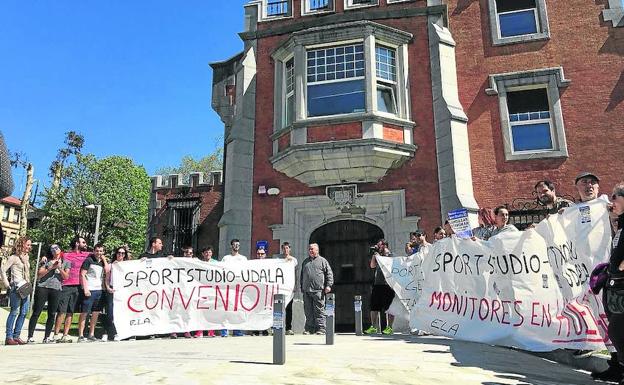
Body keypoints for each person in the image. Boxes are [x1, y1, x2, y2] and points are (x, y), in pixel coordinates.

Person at [591, 179, 623, 383]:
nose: (612, 201)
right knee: (617, 331)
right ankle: (619, 369)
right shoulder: (620, 223)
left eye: (615, 196)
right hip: (615, 287)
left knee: (618, 331)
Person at [27, 244, 69, 343]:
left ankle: (47, 337)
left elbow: (66, 276)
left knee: (52, 313)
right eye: (52, 249)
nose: (55, 250)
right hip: (43, 287)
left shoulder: (66, 262)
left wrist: (60, 268)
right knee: (37, 312)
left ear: (60, 249)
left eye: (57, 248)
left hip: (56, 289)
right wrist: (51, 267)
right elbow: (39, 274)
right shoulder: (46, 260)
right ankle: (30, 336)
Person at [53, 236, 90, 343]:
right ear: (77, 243)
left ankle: (65, 335)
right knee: (61, 311)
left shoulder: (87, 254)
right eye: (83, 242)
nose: (85, 244)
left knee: (71, 311)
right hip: (65, 285)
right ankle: (56, 334)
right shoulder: (66, 254)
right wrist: (44, 258)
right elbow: (54, 255)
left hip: (78, 286)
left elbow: (100, 254)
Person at [1, 236, 32, 345]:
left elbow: (27, 273)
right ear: (22, 245)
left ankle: (16, 335)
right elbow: (3, 269)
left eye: (30, 245)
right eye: (28, 245)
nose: (29, 247)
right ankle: (9, 337)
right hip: (16, 287)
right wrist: (7, 284)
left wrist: (25, 262)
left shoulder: (26, 257)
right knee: (15, 311)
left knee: (24, 312)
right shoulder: (13, 257)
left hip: (25, 287)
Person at [77, 243, 108, 342]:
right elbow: (82, 274)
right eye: (97, 251)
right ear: (94, 251)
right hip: (89, 289)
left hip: (99, 289)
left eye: (101, 251)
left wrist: (104, 259)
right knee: (85, 312)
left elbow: (107, 270)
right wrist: (85, 289)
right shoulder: (88, 260)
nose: (99, 253)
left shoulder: (102, 262)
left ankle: (91, 334)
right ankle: (81, 335)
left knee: (95, 313)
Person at [300, 243, 333, 335]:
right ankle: (309, 328)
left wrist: (328, 285)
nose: (310, 250)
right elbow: (302, 275)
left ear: (317, 250)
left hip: (318, 290)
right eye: (309, 249)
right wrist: (301, 286)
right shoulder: (305, 262)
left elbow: (329, 274)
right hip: (307, 290)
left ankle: (321, 328)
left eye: (312, 249)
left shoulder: (323, 261)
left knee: (319, 310)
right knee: (308, 311)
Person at [364, 239, 395, 335]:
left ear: (384, 246)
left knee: (389, 307)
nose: (378, 247)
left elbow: (391, 267)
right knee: (374, 306)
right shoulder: (378, 256)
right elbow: (372, 266)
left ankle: (389, 327)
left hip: (388, 285)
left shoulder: (391, 256)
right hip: (377, 284)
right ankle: (373, 326)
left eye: (379, 245)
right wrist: (374, 255)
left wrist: (382, 256)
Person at [221, 239, 247, 337]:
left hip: (239, 287)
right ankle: (224, 331)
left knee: (239, 309)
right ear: (231, 246)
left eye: (238, 245)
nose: (236, 246)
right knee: (226, 308)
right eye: (234, 245)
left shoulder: (243, 258)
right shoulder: (226, 258)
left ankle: (238, 330)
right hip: (228, 287)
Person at [103, 246, 130, 341]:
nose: (121, 255)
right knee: (110, 312)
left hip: (123, 292)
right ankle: (107, 332)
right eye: (119, 252)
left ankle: (118, 333)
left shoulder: (128, 265)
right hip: (113, 290)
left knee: (122, 312)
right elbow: (106, 278)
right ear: (116, 253)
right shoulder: (111, 265)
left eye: (123, 253)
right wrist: (108, 287)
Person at [275, 242, 298, 335]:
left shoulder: (294, 260)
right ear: (282, 249)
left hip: (289, 287)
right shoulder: (278, 260)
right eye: (284, 248)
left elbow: (295, 273)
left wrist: (295, 285)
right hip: (280, 287)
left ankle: (288, 328)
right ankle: (277, 326)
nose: (286, 250)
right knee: (277, 307)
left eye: (287, 248)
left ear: (290, 249)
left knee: (289, 308)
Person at [195, 246, 216, 338]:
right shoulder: (199, 263)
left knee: (211, 310)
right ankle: (200, 331)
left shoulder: (216, 263)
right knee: (201, 310)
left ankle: (211, 331)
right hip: (201, 289)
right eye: (206, 252)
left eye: (210, 252)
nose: (208, 254)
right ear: (203, 254)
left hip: (212, 289)